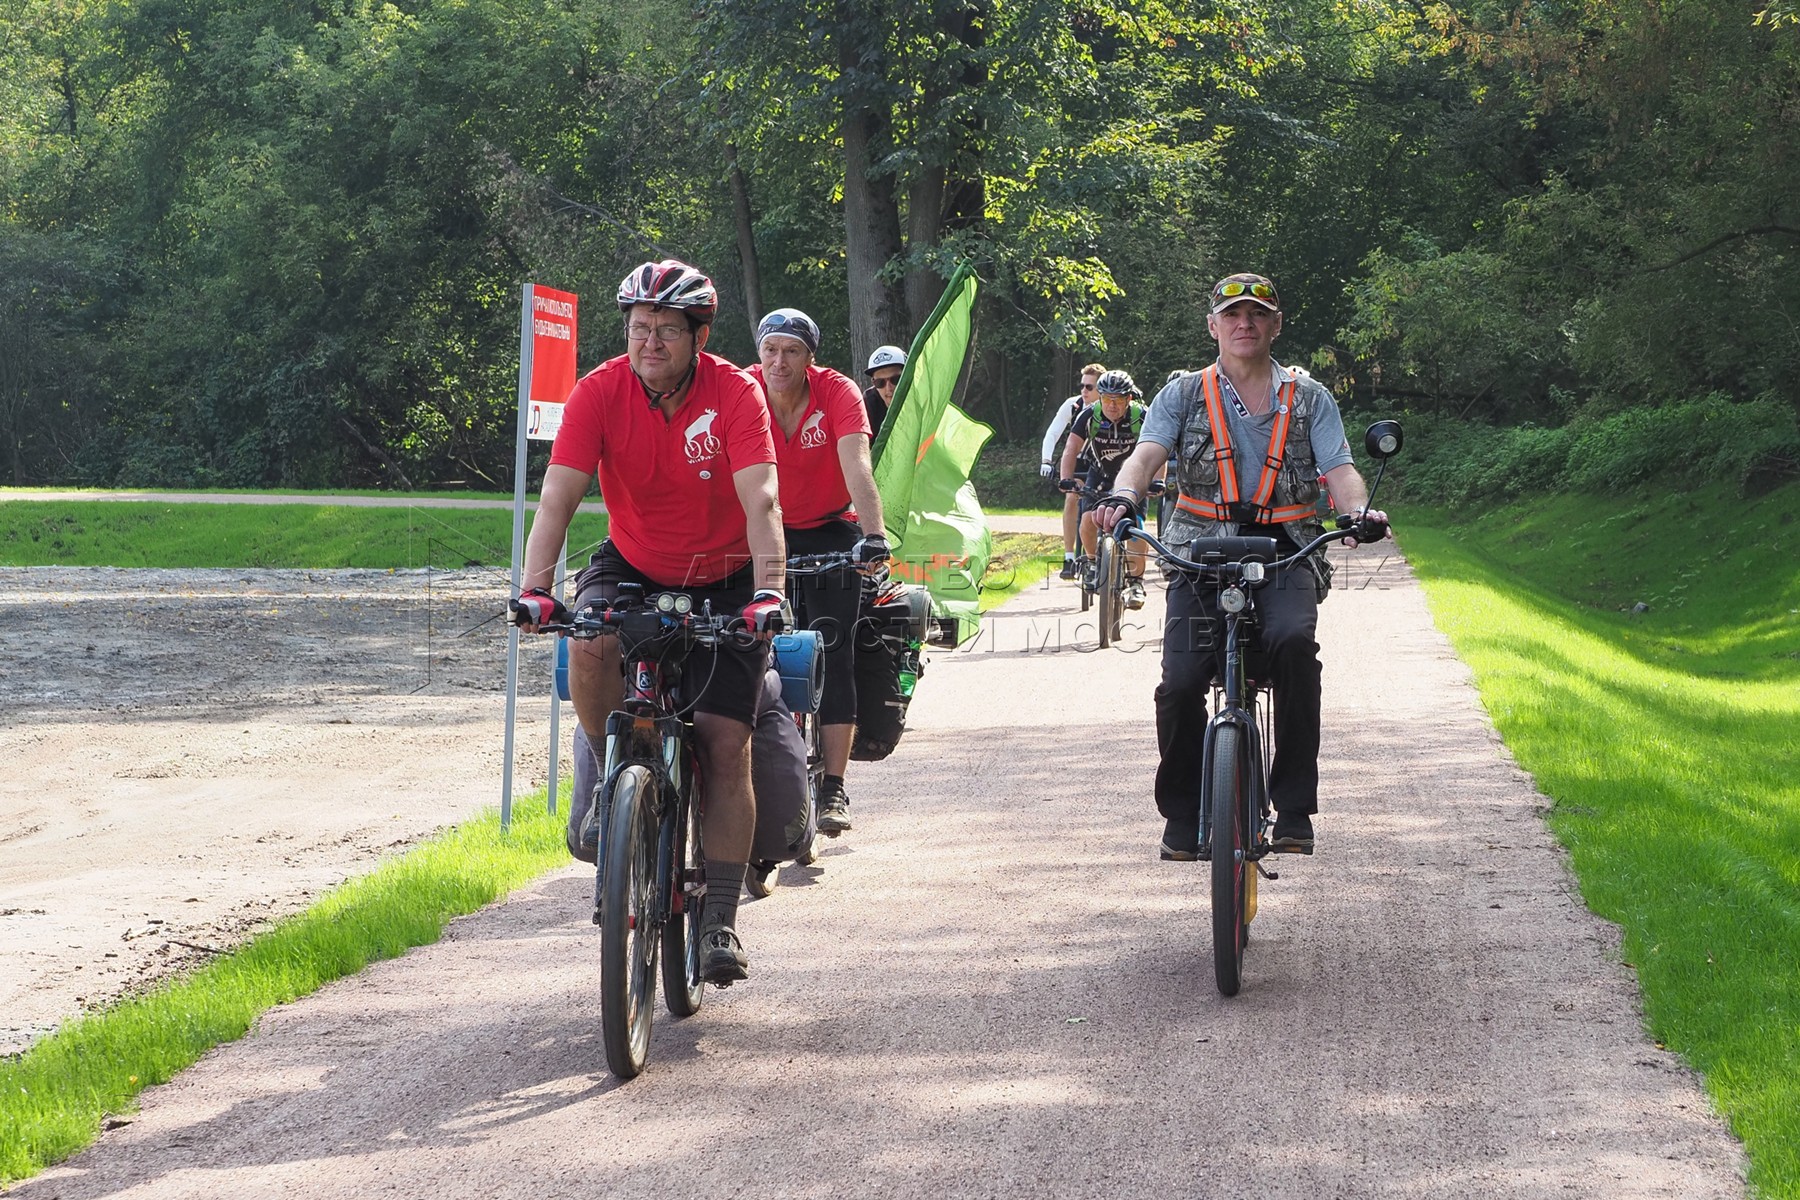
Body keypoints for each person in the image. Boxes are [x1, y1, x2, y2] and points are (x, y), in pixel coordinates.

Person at [509, 259, 786, 985]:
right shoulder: (599, 392)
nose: (650, 341)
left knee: (727, 743)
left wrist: (768, 592)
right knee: (589, 638)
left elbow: (762, 502)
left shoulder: (735, 394)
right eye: (639, 327)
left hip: (726, 577)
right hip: (632, 563)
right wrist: (537, 590)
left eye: (666, 329)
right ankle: (611, 776)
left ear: (699, 335)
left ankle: (720, 918)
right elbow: (558, 499)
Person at [1093, 272, 1390, 858]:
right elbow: (1145, 456)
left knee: (1292, 645)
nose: (1244, 324)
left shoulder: (1310, 398)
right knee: (1180, 682)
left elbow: (1340, 469)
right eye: (1232, 315)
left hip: (1287, 549)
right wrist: (1124, 496)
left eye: (1257, 314)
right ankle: (1181, 815)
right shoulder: (1182, 394)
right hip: (1200, 552)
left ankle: (1295, 808)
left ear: (1276, 325)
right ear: (1213, 327)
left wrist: (1358, 511)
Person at [750, 308, 888, 858]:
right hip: (766, 531)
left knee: (837, 647)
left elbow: (857, 464)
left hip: (832, 528)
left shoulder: (838, 392)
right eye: (770, 351)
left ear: (811, 358)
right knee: (750, 643)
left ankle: (833, 786)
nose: (778, 362)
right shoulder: (745, 391)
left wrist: (873, 535)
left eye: (791, 352)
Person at [1056, 368, 1161, 609]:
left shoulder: (1141, 416)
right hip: (1099, 474)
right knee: (1088, 519)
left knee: (1135, 527)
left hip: (1135, 477)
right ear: (1100, 398)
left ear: (1129, 399)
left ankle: (1136, 582)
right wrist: (1066, 478)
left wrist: (1157, 480)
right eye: (1106, 399)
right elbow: (1071, 449)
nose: (1112, 405)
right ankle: (1093, 562)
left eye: (1119, 400)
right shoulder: (1088, 416)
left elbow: (1158, 449)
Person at [1040, 363, 1104, 579]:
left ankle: (1107, 551)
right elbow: (1053, 432)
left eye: (1089, 387)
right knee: (1071, 498)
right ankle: (1069, 558)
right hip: (1078, 461)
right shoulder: (1073, 405)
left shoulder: (1111, 406)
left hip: (1103, 461)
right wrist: (1046, 461)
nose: (1084, 391)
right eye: (1082, 386)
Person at [862, 345, 906, 433]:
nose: (888, 388)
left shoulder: (925, 399)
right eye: (880, 383)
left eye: (896, 380)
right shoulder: (868, 407)